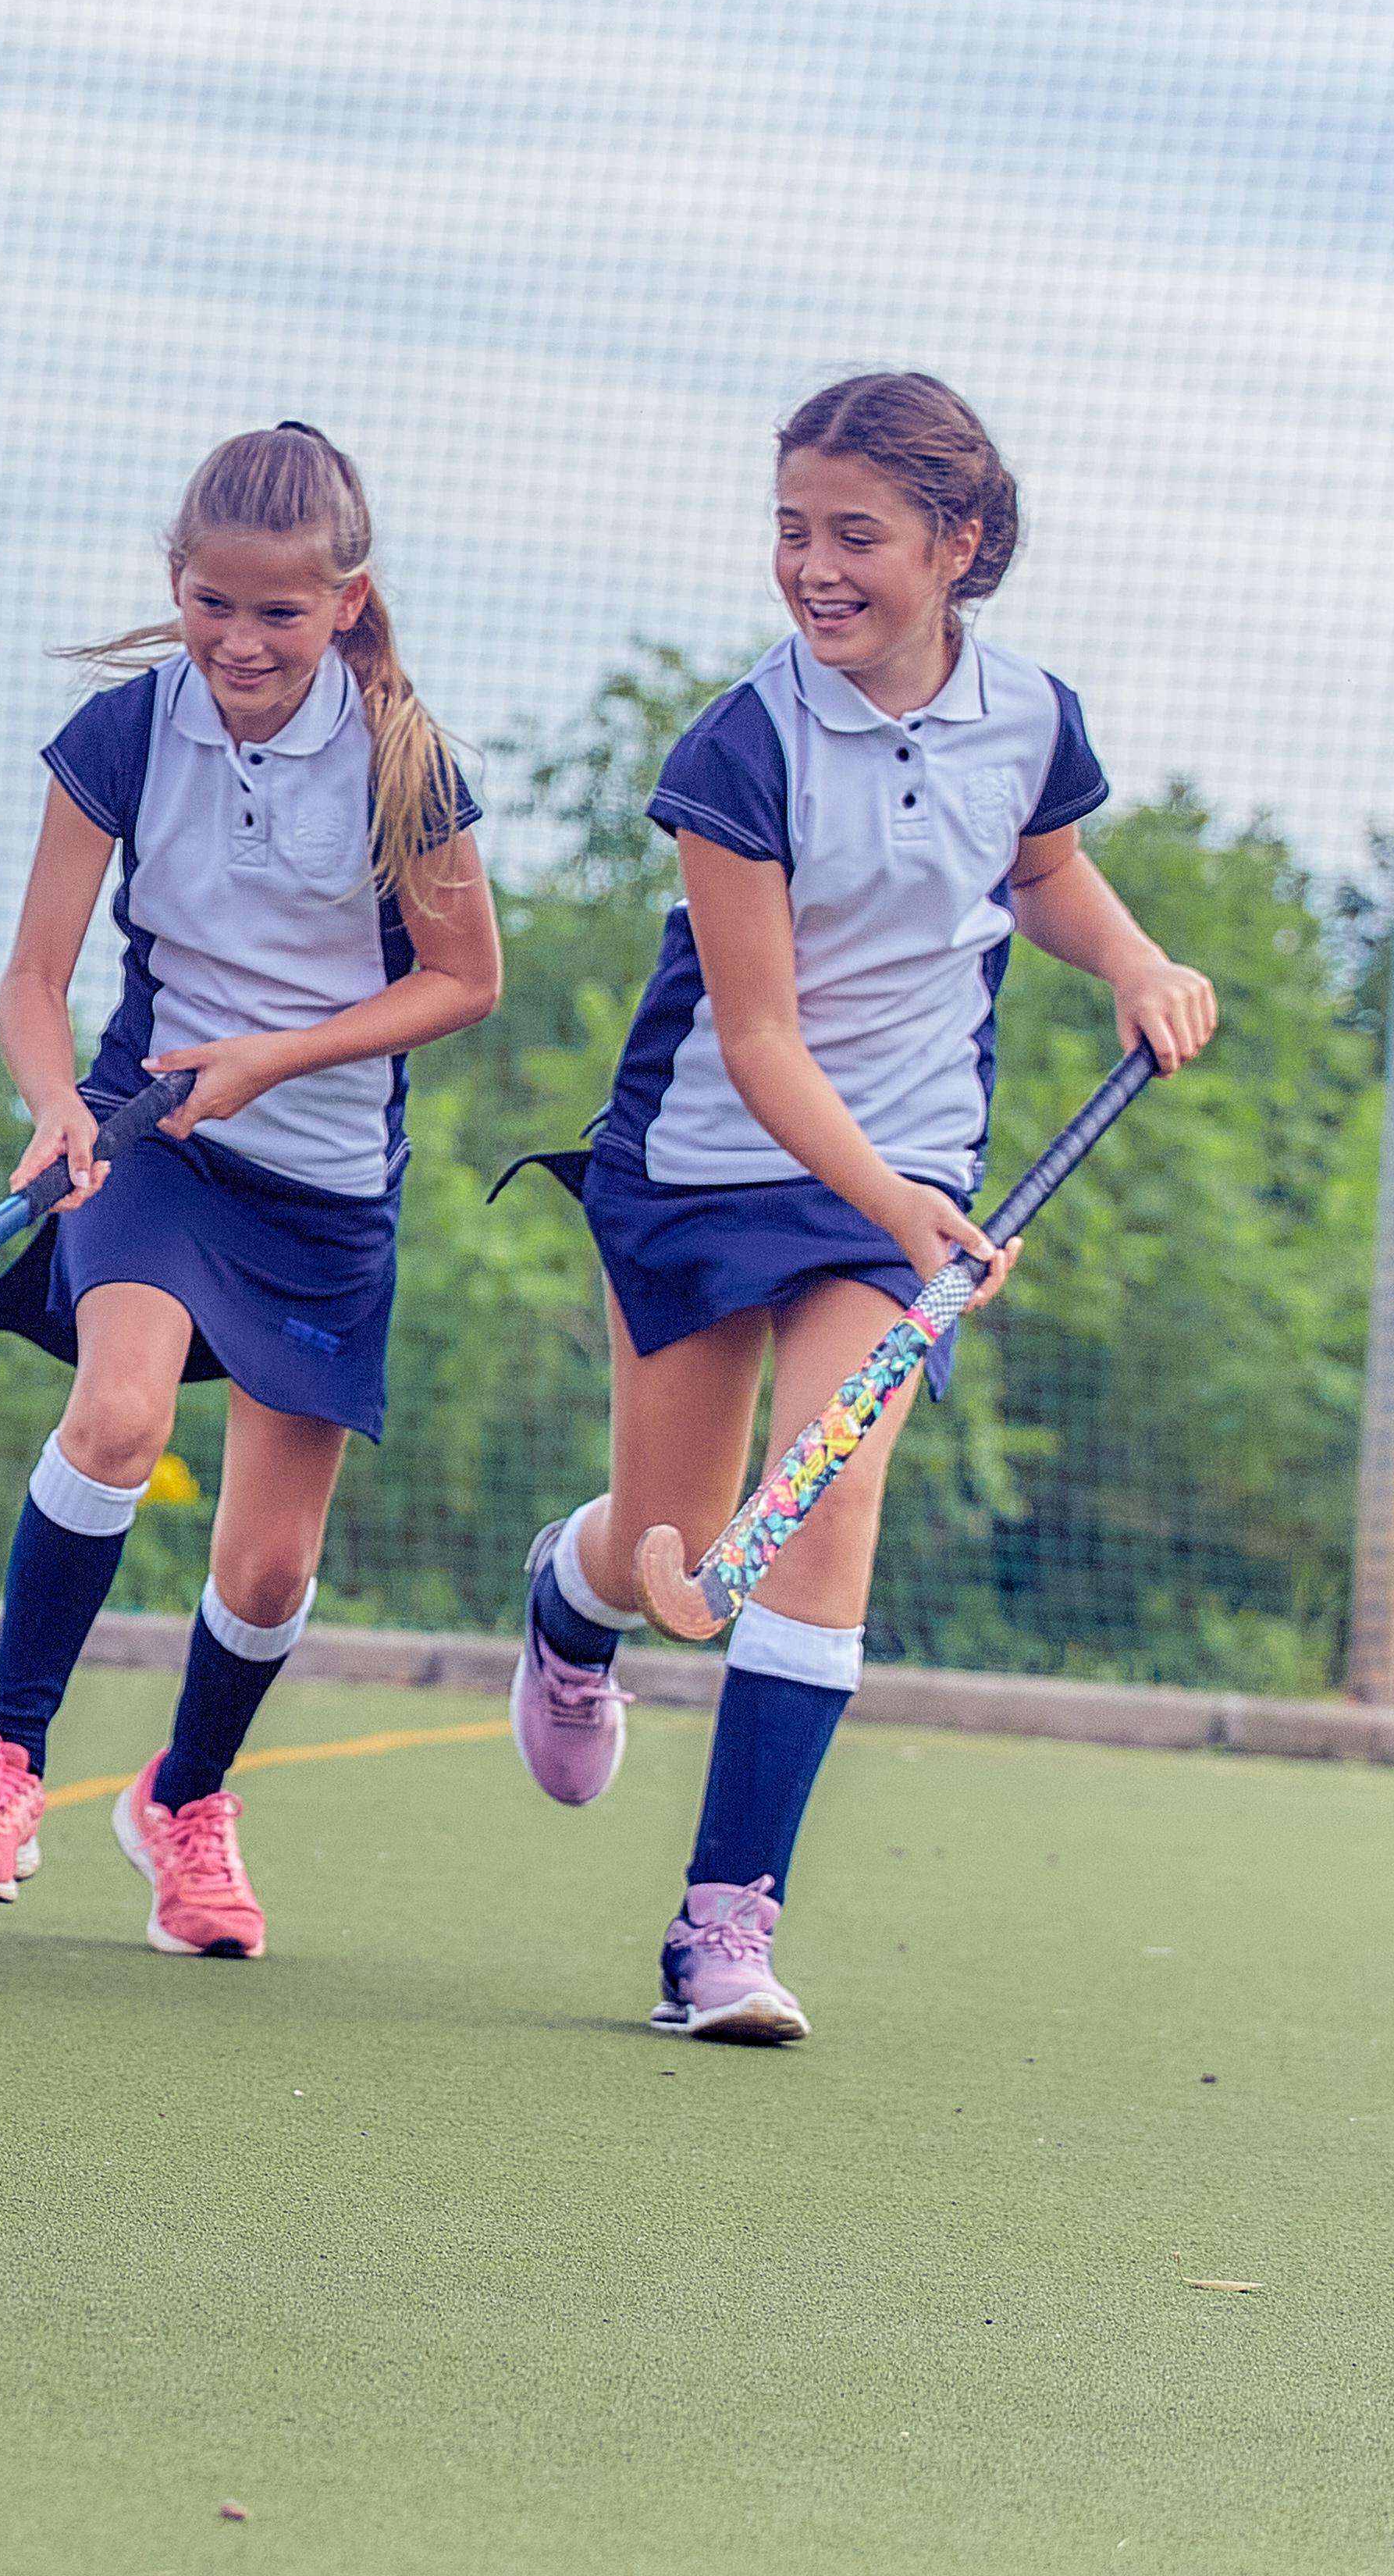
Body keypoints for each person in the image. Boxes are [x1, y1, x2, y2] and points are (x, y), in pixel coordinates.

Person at [506, 371, 1215, 2042]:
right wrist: (898, 1211)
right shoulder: (738, 748)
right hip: (707, 1161)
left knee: (825, 1506)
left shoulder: (1035, 715)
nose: (813, 567)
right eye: (791, 532)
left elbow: (1037, 871)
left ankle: (721, 1930)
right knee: (667, 1542)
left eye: (856, 536)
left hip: (906, 1174)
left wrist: (1132, 959)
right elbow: (753, 1038)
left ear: (958, 545)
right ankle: (570, 1601)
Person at [0, 422, 501, 1955]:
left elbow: (463, 980)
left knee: (272, 1562)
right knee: (118, 1415)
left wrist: (279, 1058)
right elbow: (35, 976)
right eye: (212, 604)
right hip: (152, 1140)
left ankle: (185, 1800)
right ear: (177, 585)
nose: (240, 641)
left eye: (279, 613)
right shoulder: (123, 734)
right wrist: (53, 1105)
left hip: (325, 1184)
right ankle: (4, 1765)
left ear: (345, 603)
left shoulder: (403, 758)